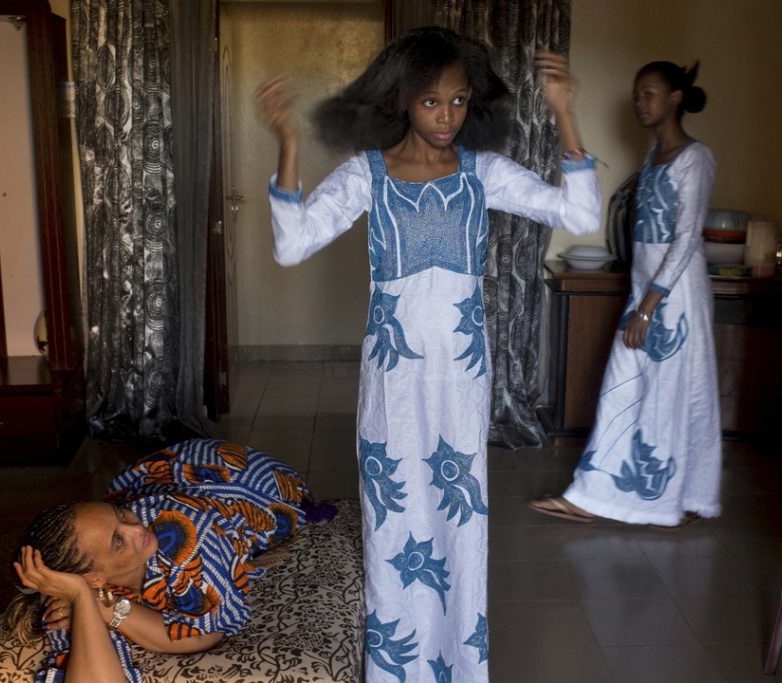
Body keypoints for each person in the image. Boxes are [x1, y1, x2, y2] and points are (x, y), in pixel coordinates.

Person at [256, 26, 601, 682]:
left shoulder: (484, 174)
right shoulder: (367, 176)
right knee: (392, 531)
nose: (447, 117)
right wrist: (289, 144)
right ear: (402, 101)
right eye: (431, 102)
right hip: (391, 387)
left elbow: (578, 213)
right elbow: (291, 244)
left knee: (458, 529)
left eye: (460, 101)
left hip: (461, 386)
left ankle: (461, 668)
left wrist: (564, 113)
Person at [529, 60, 721, 528]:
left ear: (676, 98)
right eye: (637, 94)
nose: (640, 102)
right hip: (646, 293)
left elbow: (686, 239)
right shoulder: (655, 155)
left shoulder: (696, 159)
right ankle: (594, 495)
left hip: (674, 299)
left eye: (649, 93)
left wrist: (649, 309)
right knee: (626, 390)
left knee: (671, 395)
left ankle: (680, 497)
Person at [8, 438, 323, 683]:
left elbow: (206, 634)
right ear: (93, 578)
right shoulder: (80, 581)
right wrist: (81, 596)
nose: (135, 528)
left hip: (250, 475)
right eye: (118, 540)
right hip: (172, 479)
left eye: (120, 514)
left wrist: (100, 605)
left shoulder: (188, 538)